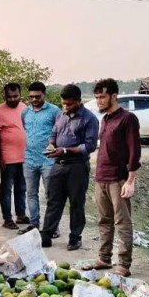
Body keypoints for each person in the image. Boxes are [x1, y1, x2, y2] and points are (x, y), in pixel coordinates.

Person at [83, 79, 141, 276]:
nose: (98, 101)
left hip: (119, 179)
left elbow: (135, 151)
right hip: (101, 177)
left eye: (102, 97)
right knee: (103, 220)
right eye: (97, 97)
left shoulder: (127, 119)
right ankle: (104, 258)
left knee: (122, 222)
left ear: (114, 96)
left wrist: (130, 181)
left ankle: (124, 264)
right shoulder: (105, 119)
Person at [40, 84, 99, 251]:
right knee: (53, 201)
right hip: (58, 165)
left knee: (76, 202)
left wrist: (65, 150)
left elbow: (89, 146)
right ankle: (47, 235)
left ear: (79, 101)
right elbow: (53, 134)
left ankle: (75, 238)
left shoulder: (89, 119)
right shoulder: (61, 115)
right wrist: (52, 145)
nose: (66, 107)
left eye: (69, 104)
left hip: (77, 166)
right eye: (63, 103)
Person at [20, 82, 60, 235]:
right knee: (31, 193)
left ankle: (53, 228)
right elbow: (26, 129)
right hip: (29, 159)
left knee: (51, 194)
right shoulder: (25, 112)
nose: (34, 99)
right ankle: (34, 224)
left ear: (44, 94)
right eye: (31, 97)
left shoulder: (54, 111)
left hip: (48, 160)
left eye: (38, 96)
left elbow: (60, 131)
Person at [0, 83, 29, 230]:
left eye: (15, 96)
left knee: (22, 187)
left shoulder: (25, 108)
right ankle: (7, 218)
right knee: (6, 189)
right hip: (7, 158)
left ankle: (21, 214)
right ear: (5, 96)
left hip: (25, 157)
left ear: (20, 95)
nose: (13, 99)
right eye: (9, 97)